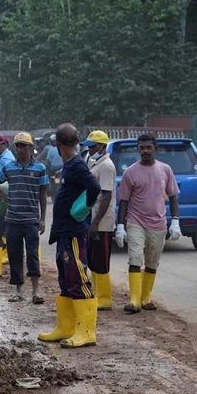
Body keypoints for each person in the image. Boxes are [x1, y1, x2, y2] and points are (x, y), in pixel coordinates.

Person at [38, 124, 101, 348]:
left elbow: (94, 187)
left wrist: (81, 209)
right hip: (65, 232)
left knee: (78, 279)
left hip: (74, 232)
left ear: (59, 145)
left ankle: (86, 332)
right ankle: (65, 328)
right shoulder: (70, 165)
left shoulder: (76, 165)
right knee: (66, 280)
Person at [115, 133, 181, 314]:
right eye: (142, 148)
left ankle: (145, 298)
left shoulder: (165, 170)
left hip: (158, 223)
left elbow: (173, 196)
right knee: (135, 257)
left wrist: (175, 221)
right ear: (138, 149)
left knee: (152, 261)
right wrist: (120, 226)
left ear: (155, 148)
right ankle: (134, 300)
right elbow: (124, 201)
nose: (145, 151)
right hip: (136, 221)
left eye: (148, 147)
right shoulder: (130, 172)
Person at [0, 132, 47, 303]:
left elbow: (43, 194)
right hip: (13, 220)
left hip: (31, 219)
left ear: (30, 147)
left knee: (32, 255)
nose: (20, 149)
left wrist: (43, 218)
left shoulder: (40, 168)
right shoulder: (9, 168)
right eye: (17, 145)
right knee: (15, 255)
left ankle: (35, 292)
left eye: (23, 145)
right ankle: (19, 291)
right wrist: (3, 196)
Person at [83, 131, 116, 311]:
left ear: (102, 146)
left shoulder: (106, 166)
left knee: (101, 261)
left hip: (102, 221)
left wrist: (95, 222)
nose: (89, 149)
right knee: (94, 259)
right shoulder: (95, 163)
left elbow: (106, 195)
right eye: (89, 146)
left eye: (93, 146)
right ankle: (98, 294)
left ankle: (104, 299)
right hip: (93, 217)